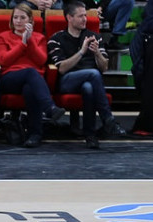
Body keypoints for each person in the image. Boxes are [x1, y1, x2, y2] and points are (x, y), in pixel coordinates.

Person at [48, 0, 125, 149]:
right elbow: (62, 69)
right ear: (69, 18)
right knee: (93, 74)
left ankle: (90, 135)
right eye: (80, 16)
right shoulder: (56, 39)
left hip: (90, 80)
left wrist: (97, 53)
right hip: (67, 81)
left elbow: (104, 68)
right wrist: (82, 51)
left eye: (85, 15)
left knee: (88, 87)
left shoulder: (95, 37)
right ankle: (108, 119)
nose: (85, 19)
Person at [0, 3, 65, 148]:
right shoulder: (3, 36)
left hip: (33, 81)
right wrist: (22, 43)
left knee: (29, 89)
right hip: (10, 78)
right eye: (15, 17)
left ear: (30, 21)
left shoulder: (39, 38)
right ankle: (50, 108)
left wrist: (30, 39)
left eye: (22, 18)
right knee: (31, 71)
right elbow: (3, 60)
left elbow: (41, 60)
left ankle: (35, 135)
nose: (18, 21)